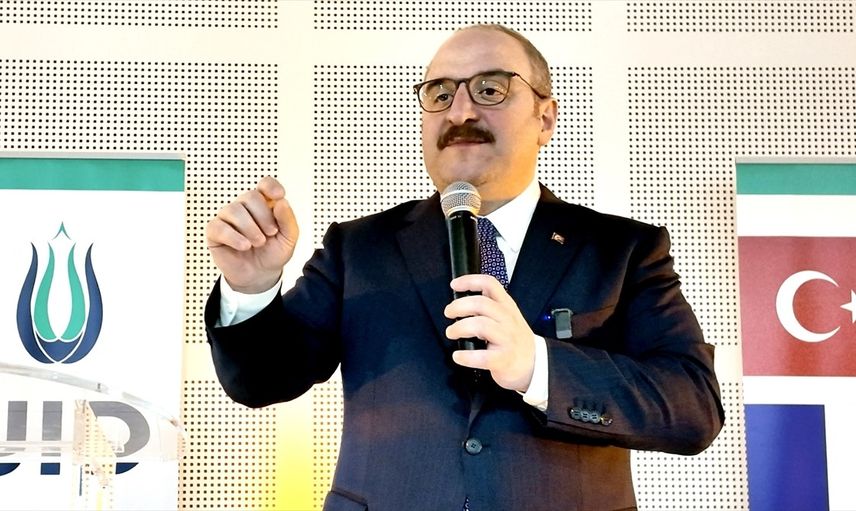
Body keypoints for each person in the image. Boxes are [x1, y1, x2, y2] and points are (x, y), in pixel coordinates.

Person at [205, 24, 724, 511]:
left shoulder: (622, 249)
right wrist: (251, 288)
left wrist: (538, 366)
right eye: (440, 94)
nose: (459, 112)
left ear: (545, 118)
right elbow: (261, 381)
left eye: (490, 89)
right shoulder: (359, 247)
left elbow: (692, 407)